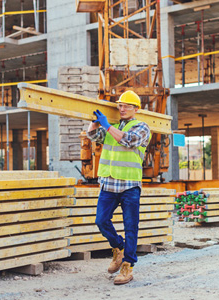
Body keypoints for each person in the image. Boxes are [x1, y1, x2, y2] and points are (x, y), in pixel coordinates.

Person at [87, 90, 151, 285]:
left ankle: (127, 266)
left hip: (129, 184)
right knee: (101, 220)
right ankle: (118, 248)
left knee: (131, 227)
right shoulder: (111, 125)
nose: (122, 108)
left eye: (126, 106)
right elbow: (92, 135)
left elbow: (128, 140)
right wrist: (94, 121)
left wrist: (107, 125)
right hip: (109, 182)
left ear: (135, 109)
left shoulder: (142, 127)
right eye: (120, 105)